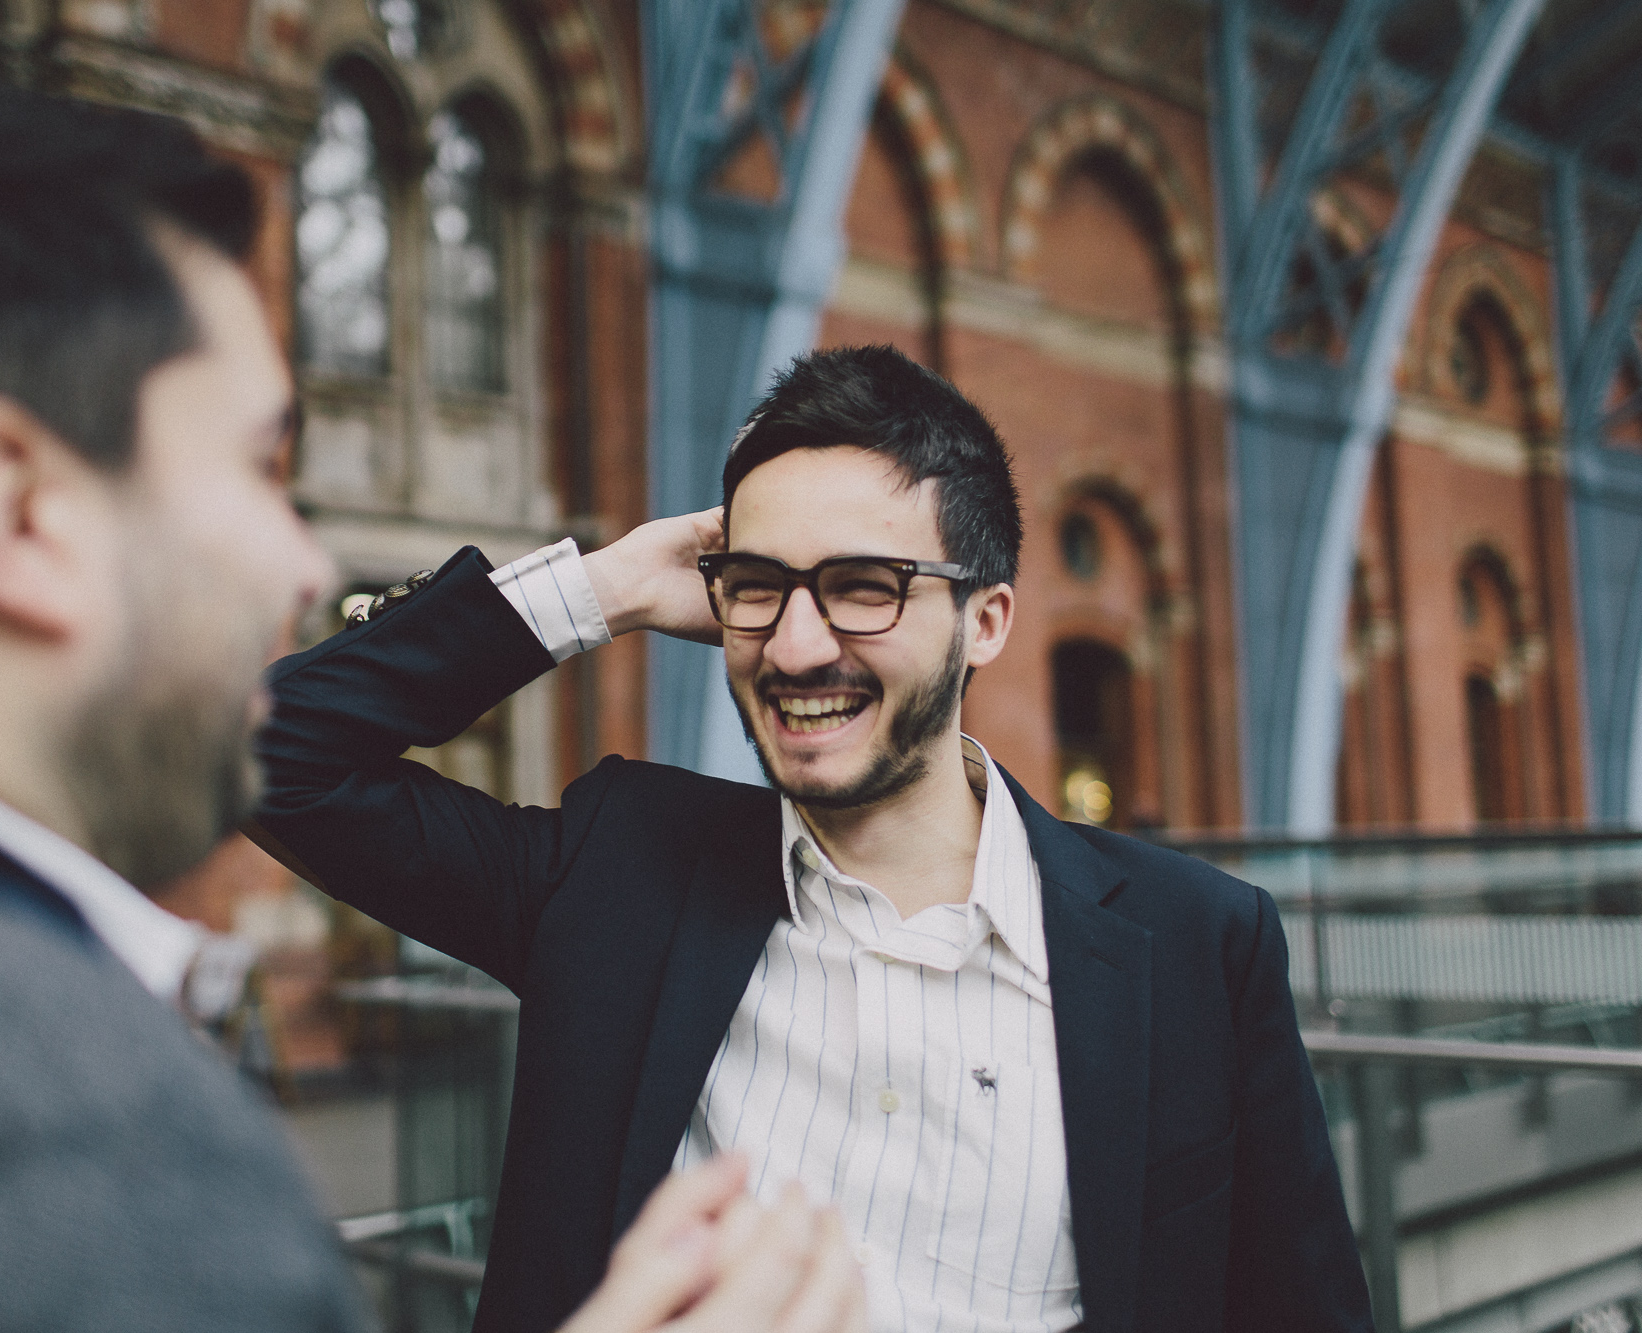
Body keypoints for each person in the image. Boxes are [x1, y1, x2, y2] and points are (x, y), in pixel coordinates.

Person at [0, 71, 867, 1333]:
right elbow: (298, 750)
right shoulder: (72, 1151)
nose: (299, 564)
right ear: (14, 508)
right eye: (255, 467)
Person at [252, 344, 1376, 1332]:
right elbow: (269, 754)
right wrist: (609, 586)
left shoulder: (1196, 946)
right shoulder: (616, 875)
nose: (793, 648)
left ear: (983, 619)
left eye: (861, 588)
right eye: (757, 586)